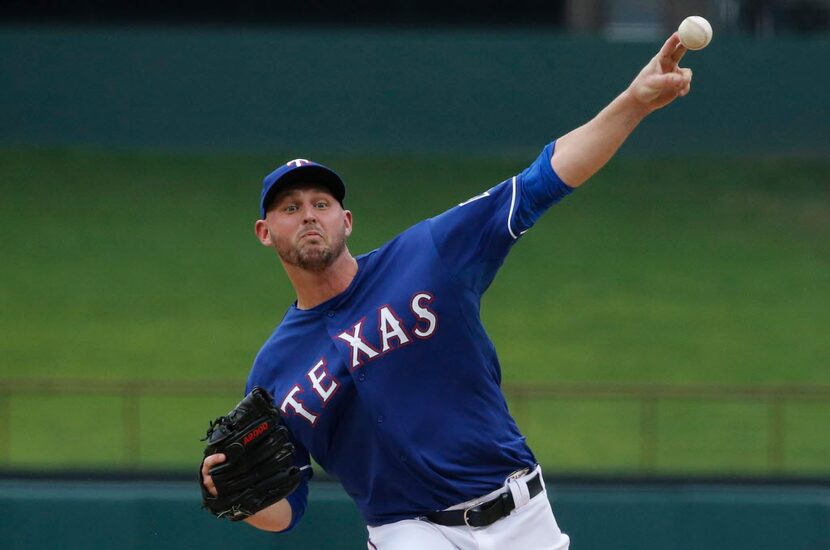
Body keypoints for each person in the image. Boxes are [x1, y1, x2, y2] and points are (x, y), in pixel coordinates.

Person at [202, 33, 693, 549]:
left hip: (520, 515)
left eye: (320, 204)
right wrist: (243, 500)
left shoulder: (427, 255)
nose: (307, 216)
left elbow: (539, 182)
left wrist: (633, 103)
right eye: (289, 208)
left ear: (346, 220)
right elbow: (288, 508)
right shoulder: (274, 369)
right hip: (405, 531)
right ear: (265, 231)